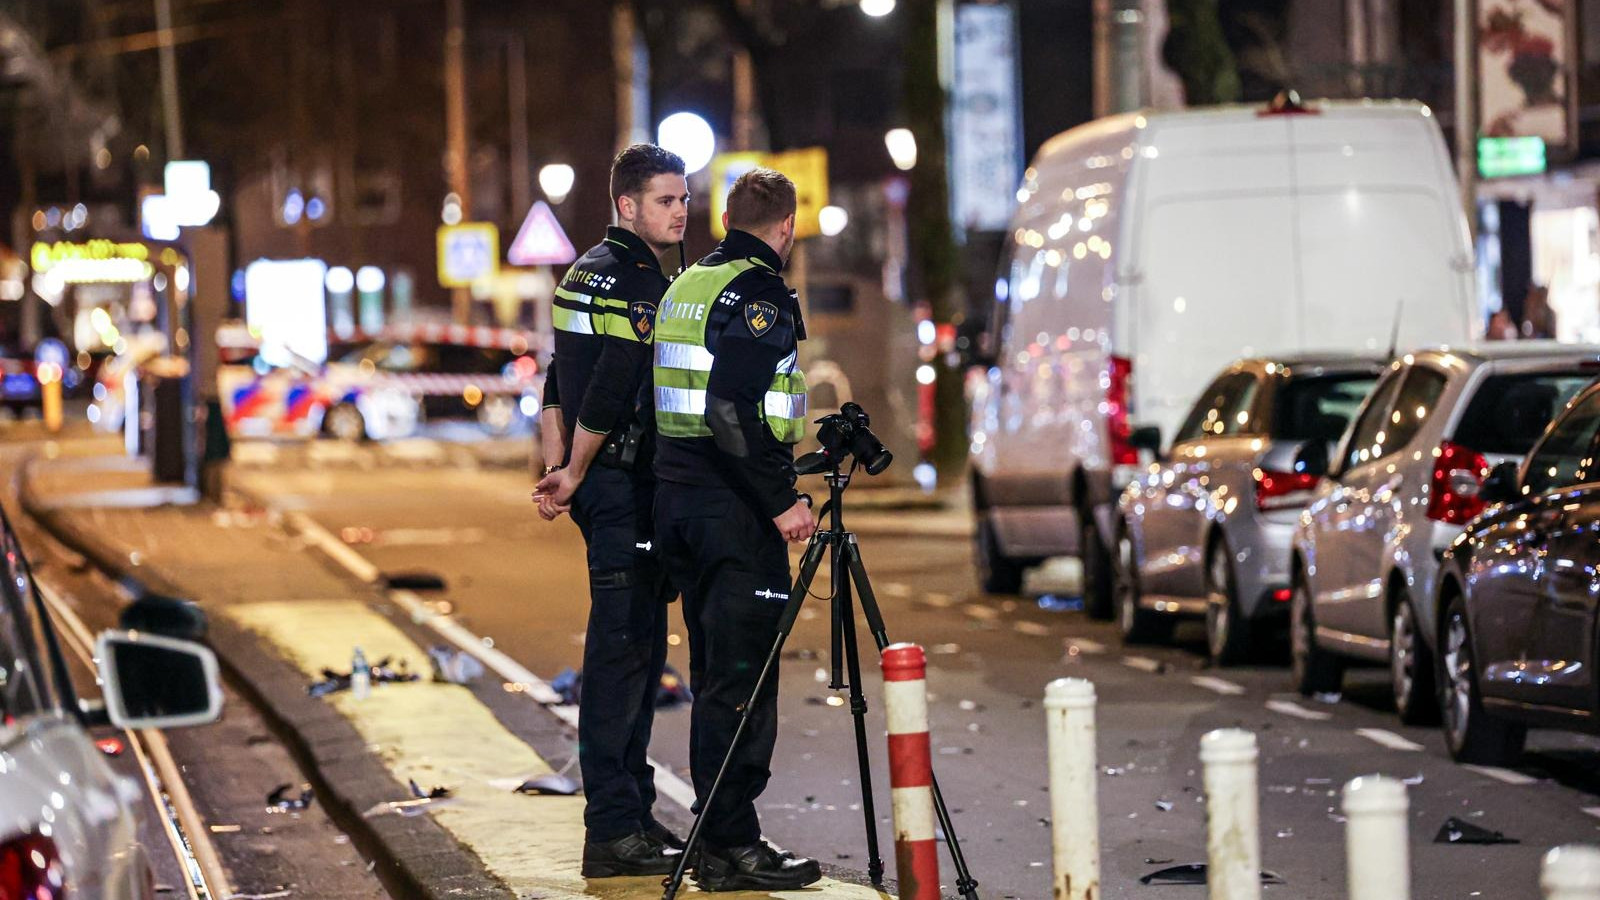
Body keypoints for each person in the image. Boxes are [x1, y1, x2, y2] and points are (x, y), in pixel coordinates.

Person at [651, 168, 821, 891]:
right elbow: (729, 407)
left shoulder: (687, 283)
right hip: (733, 513)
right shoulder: (759, 294)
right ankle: (730, 845)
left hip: (681, 505)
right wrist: (782, 499)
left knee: (716, 679)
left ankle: (718, 835)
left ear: (725, 216)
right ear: (785, 227)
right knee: (743, 683)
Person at [532, 143, 688, 877]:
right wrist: (576, 470)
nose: (680, 211)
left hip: (607, 484)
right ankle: (610, 831)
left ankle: (634, 809)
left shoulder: (581, 269)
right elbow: (610, 387)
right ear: (627, 205)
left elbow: (558, 370)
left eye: (684, 198)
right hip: (622, 481)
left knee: (641, 651)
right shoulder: (635, 282)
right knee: (621, 658)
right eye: (666, 200)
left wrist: (557, 460)